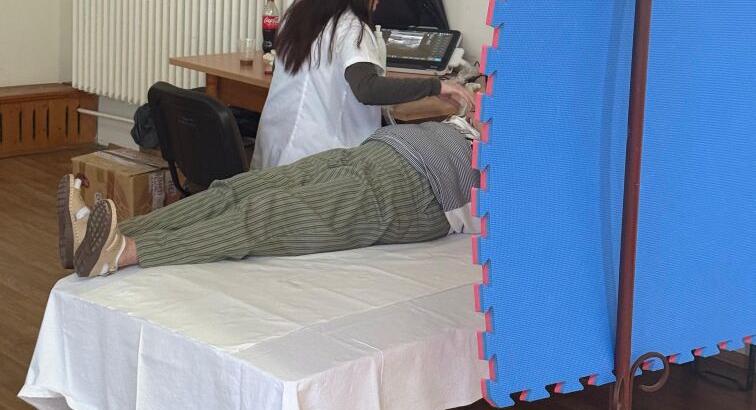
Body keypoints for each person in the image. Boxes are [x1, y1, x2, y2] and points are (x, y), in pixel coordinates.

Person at [58, 115, 481, 279]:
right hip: (376, 151)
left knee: (269, 214)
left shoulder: (519, 163)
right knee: (238, 188)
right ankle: (100, 236)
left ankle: (125, 252)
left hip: (417, 189)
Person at [251, 0, 476, 169]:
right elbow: (368, 89)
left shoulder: (299, 9)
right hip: (319, 166)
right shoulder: (350, 27)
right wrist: (436, 86)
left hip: (272, 159)